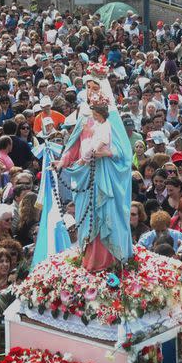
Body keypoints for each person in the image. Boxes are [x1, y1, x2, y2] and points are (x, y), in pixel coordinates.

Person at [55, 73, 134, 272]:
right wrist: (63, 161)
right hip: (85, 177)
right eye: (88, 87)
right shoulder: (83, 116)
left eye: (96, 88)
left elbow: (124, 153)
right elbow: (74, 145)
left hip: (106, 177)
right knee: (87, 219)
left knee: (106, 217)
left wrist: (106, 153)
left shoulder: (111, 117)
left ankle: (110, 264)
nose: (91, 92)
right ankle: (89, 261)